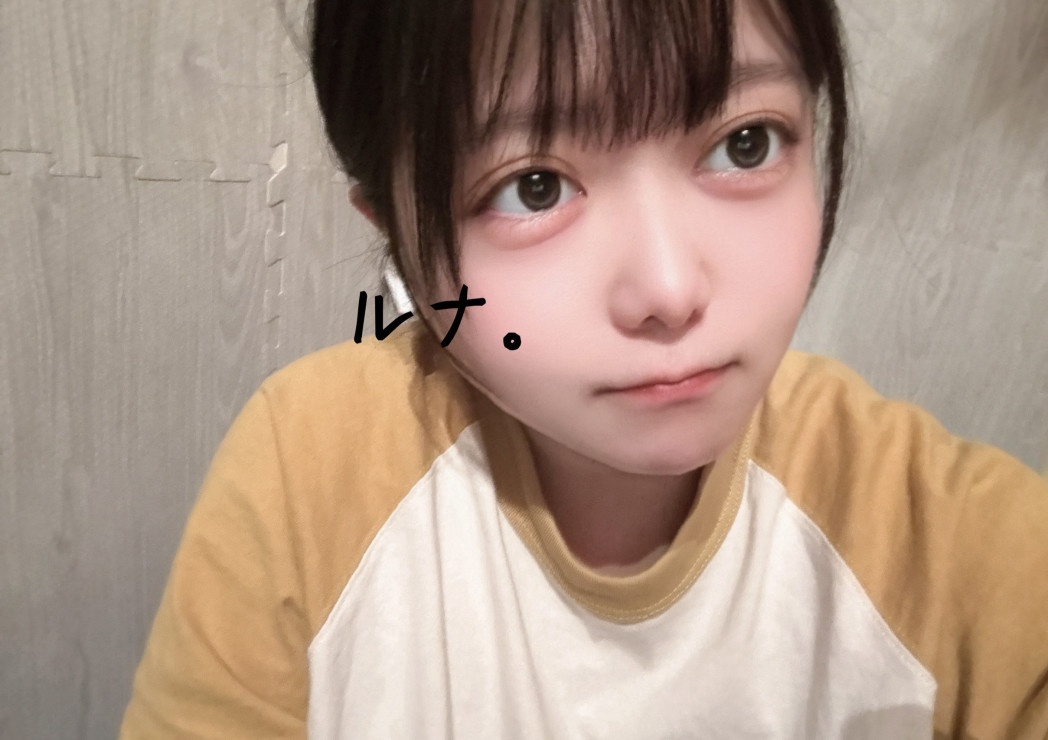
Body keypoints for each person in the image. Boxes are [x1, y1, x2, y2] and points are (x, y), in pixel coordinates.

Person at [121, 0, 1048, 737]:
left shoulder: (948, 543)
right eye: (534, 187)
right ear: (397, 238)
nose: (670, 289)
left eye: (747, 142)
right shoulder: (309, 476)